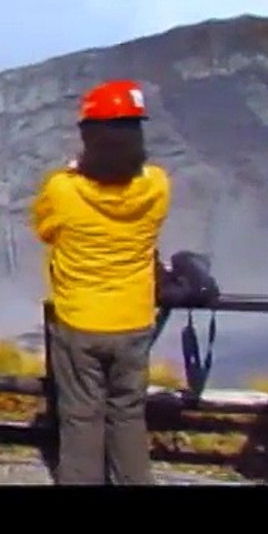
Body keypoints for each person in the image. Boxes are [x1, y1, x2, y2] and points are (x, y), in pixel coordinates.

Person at [30, 79, 171, 485]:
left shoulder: (62, 189)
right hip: (133, 319)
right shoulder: (158, 185)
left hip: (80, 320)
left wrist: (75, 170)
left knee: (81, 415)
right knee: (128, 413)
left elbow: (44, 228)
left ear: (90, 136)